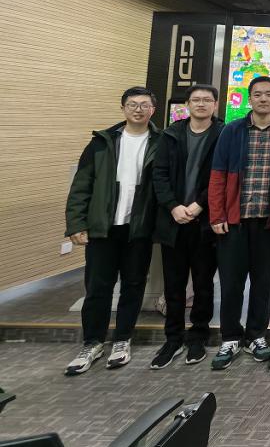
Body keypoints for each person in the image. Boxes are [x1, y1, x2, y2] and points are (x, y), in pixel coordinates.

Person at [64, 86, 160, 375]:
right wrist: (76, 223)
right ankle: (92, 343)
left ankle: (122, 339)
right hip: (103, 228)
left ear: (153, 110)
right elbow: (81, 186)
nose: (138, 109)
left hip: (138, 229)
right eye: (132, 104)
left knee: (133, 285)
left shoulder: (162, 142)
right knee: (98, 288)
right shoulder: (101, 143)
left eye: (144, 105)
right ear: (123, 108)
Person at [208, 75, 270, 370]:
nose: (263, 99)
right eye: (257, 94)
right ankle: (230, 337)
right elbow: (218, 176)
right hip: (234, 219)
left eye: (268, 94)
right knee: (231, 282)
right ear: (250, 98)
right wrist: (217, 215)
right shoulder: (232, 130)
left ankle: (256, 336)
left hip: (268, 221)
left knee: (262, 281)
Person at [150, 84, 225, 369]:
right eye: (196, 100)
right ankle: (173, 339)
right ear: (188, 105)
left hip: (204, 222)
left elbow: (221, 177)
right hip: (174, 221)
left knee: (203, 284)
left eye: (207, 100)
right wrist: (174, 206)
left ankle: (198, 337)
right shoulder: (171, 135)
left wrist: (199, 205)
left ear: (215, 105)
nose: (201, 104)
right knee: (174, 285)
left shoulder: (223, 134)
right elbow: (159, 175)